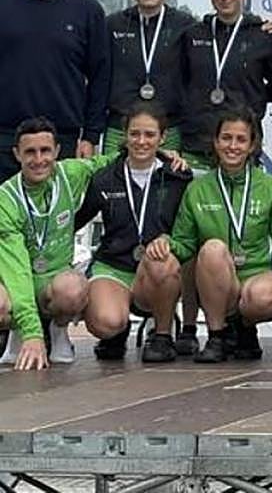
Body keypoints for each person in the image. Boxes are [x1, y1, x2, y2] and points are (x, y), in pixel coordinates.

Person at [165, 107, 272, 363]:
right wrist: (165, 245)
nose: (233, 146)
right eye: (226, 138)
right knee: (212, 249)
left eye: (241, 139)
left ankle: (244, 328)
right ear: (216, 142)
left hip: (256, 274)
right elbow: (184, 243)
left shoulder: (270, 187)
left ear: (252, 145)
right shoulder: (198, 188)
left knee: (262, 297)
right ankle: (216, 336)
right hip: (214, 279)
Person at [0, 118, 120, 369]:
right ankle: (17, 333)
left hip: (53, 280)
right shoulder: (6, 199)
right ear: (17, 154)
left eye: (45, 150)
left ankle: (58, 330)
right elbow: (17, 271)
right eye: (30, 152)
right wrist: (31, 332)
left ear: (56, 151)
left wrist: (161, 155)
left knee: (73, 288)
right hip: (14, 280)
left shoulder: (71, 174)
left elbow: (108, 161)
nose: (39, 159)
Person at [74, 107, 191, 363]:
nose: (141, 141)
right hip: (114, 266)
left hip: (153, 270)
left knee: (163, 262)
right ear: (124, 136)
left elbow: (189, 231)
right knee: (105, 322)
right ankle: (117, 331)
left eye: (149, 135)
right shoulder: (105, 178)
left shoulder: (177, 176)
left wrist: (168, 241)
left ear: (162, 137)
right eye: (134, 134)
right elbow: (77, 220)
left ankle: (162, 334)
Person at [0, 0, 110, 181]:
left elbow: (100, 76)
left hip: (63, 139)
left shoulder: (88, 10)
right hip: (4, 136)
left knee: (57, 207)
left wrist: (91, 136)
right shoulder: (2, 4)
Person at [179, 0, 272, 170]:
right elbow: (180, 82)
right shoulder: (193, 35)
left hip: (241, 146)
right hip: (197, 146)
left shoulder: (263, 36)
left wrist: (252, 100)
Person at [103, 0, 195, 153]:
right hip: (120, 129)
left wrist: (258, 26)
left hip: (169, 130)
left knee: (165, 175)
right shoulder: (112, 25)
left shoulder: (186, 26)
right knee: (116, 174)